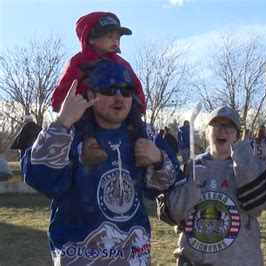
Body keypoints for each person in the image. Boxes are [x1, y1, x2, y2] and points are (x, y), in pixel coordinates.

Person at [21, 60, 177, 265]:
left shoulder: (144, 134)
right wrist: (62, 123)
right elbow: (42, 179)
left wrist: (158, 159)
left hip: (133, 256)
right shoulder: (72, 131)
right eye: (110, 89)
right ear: (92, 95)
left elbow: (165, 184)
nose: (119, 96)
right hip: (81, 256)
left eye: (126, 91)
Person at [158, 106, 266, 265]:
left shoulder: (251, 167)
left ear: (237, 136)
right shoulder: (189, 169)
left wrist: (243, 160)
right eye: (216, 124)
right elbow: (170, 216)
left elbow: (255, 207)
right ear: (206, 132)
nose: (223, 130)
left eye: (230, 126)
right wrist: (187, 193)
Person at [51, 11, 149, 167]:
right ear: (91, 38)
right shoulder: (79, 61)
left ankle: (142, 145)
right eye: (109, 36)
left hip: (115, 105)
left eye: (117, 37)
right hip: (86, 104)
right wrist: (60, 103)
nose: (115, 41)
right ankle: (90, 144)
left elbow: (134, 84)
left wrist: (140, 104)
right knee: (84, 113)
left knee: (133, 115)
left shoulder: (121, 64)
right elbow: (66, 84)